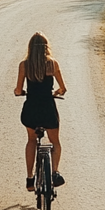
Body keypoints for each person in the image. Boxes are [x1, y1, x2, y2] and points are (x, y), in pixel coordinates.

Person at [14, 32, 67, 191]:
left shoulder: (24, 65)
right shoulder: (53, 64)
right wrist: (57, 92)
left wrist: (20, 92)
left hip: (31, 108)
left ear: (30, 47)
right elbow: (63, 88)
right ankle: (55, 172)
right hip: (48, 107)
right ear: (46, 47)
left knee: (31, 140)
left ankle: (30, 178)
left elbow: (18, 90)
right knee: (55, 142)